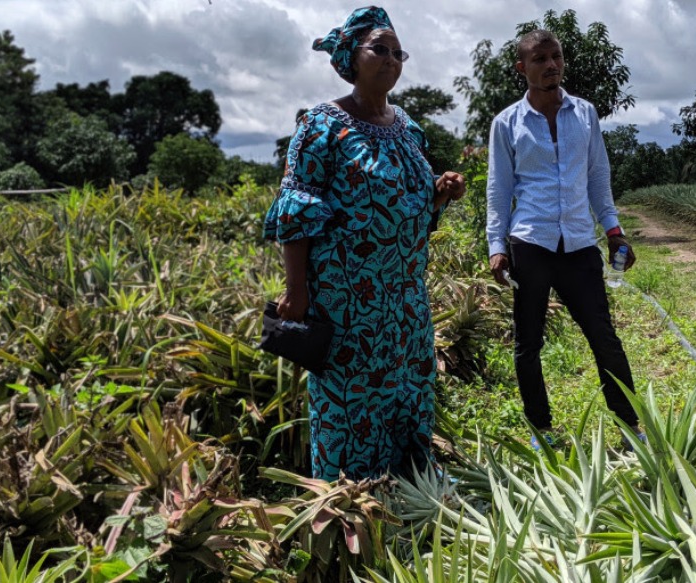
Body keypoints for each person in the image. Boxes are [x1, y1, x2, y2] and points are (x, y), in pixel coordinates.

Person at [263, 6, 465, 481]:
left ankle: (407, 488)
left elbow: (410, 209)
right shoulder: (321, 125)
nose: (392, 59)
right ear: (350, 56)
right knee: (351, 402)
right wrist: (297, 291)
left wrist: (438, 192)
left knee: (408, 390)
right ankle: (350, 502)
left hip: (404, 299)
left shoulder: (407, 128)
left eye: (399, 53)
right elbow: (297, 208)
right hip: (348, 302)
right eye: (380, 48)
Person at [485, 29, 642, 449]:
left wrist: (613, 232)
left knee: (604, 337)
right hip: (530, 244)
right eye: (540, 59)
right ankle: (541, 431)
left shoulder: (584, 113)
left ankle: (630, 428)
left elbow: (597, 177)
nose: (551, 65)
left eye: (556, 57)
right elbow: (499, 189)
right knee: (528, 342)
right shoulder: (507, 123)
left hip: (578, 244)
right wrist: (497, 247)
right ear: (522, 68)